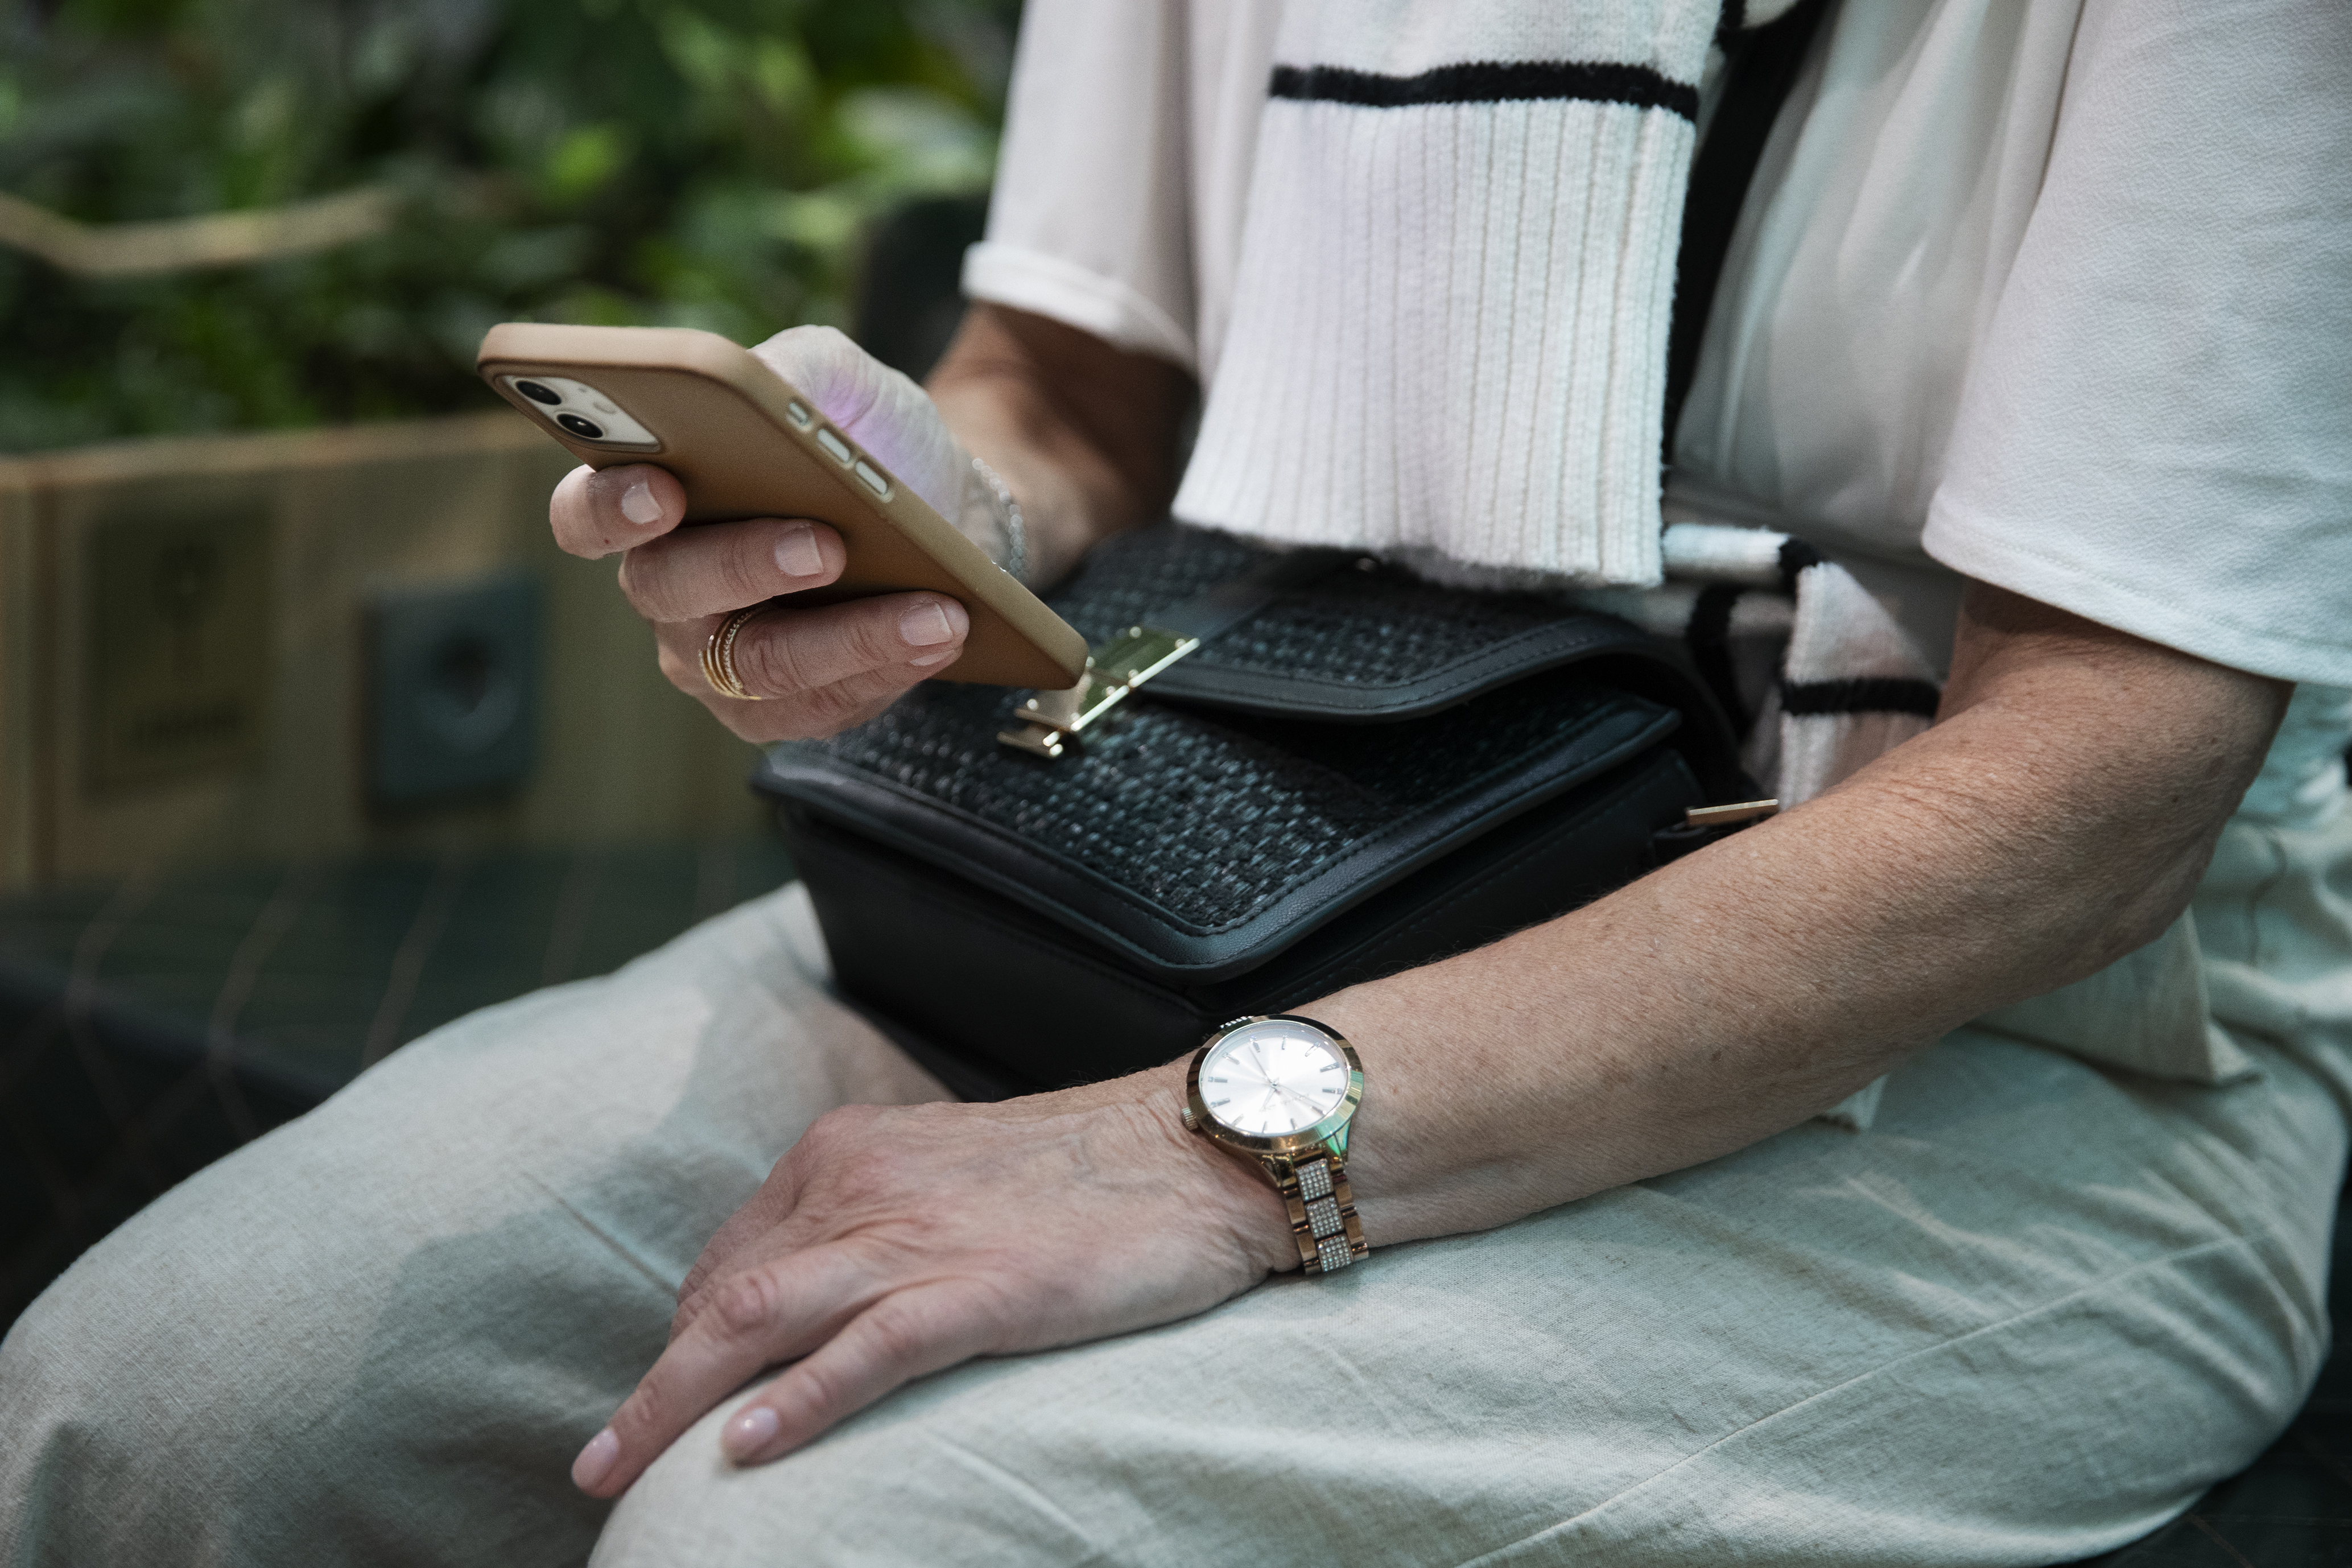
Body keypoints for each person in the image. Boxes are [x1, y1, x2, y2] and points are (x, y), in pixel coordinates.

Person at [5, 0, 2349, 1563]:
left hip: (1991, 1074)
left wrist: (1207, 1147)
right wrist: (915, 502)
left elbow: (2106, 772)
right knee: (171, 1396)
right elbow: (1071, 378)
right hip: (1217, 881)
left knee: (804, 1526)